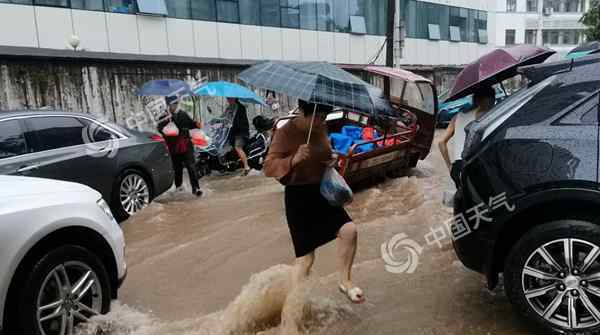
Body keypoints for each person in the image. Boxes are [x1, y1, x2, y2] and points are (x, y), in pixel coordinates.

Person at [263, 99, 365, 304]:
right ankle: (293, 307)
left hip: (322, 192)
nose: (321, 122)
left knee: (349, 231)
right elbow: (268, 166)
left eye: (324, 117)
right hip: (298, 197)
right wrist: (293, 159)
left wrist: (332, 159)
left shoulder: (320, 128)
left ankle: (345, 281)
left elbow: (325, 152)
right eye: (317, 117)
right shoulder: (284, 132)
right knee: (306, 259)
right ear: (303, 112)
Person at [438, 86, 495, 187]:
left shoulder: (457, 116)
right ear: (481, 100)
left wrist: (450, 167)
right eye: (491, 99)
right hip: (471, 166)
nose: (493, 102)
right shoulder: (484, 115)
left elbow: (441, 142)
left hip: (457, 168)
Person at [158, 95, 203, 197]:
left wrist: (197, 124)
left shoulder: (182, 114)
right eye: (172, 104)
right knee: (177, 169)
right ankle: (179, 188)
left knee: (191, 167)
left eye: (176, 104)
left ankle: (196, 189)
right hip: (173, 148)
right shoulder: (163, 117)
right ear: (168, 105)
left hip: (186, 145)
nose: (174, 106)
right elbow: (160, 129)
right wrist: (168, 125)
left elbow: (191, 125)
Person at [225, 97, 251, 175]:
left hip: (241, 133)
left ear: (235, 98)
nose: (228, 100)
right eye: (227, 98)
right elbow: (224, 117)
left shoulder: (240, 108)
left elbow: (239, 122)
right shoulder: (230, 108)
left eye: (230, 98)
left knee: (238, 147)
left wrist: (231, 125)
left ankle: (246, 167)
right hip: (234, 133)